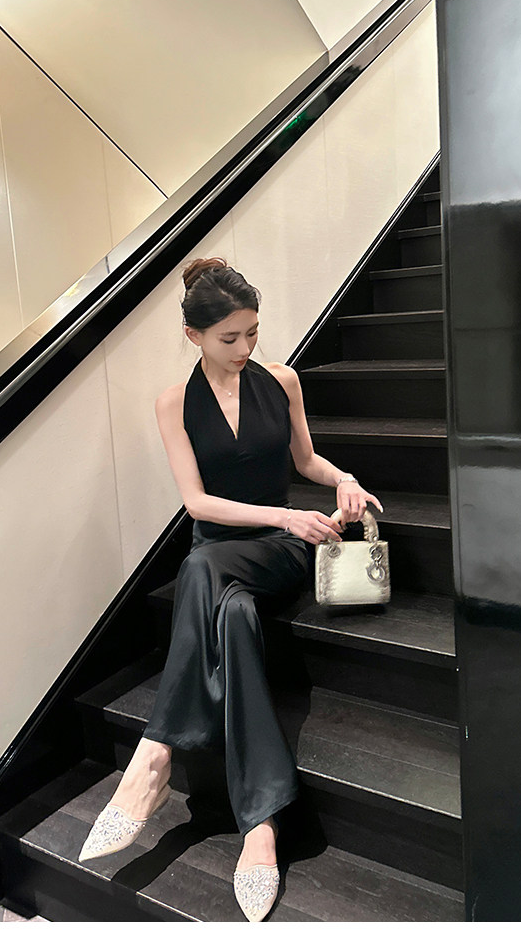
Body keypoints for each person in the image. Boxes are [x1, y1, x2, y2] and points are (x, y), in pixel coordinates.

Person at [78, 257, 382, 920]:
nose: (245, 347)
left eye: (252, 332)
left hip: (278, 550)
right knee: (232, 613)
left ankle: (154, 757)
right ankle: (262, 823)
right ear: (193, 335)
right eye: (229, 337)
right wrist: (284, 513)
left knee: (200, 573)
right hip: (221, 550)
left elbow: (305, 460)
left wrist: (343, 479)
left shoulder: (282, 380)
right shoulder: (173, 403)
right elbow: (197, 504)